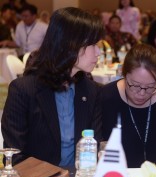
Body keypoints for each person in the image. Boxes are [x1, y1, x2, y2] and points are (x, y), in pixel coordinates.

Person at [1, 7, 103, 167]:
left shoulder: (91, 91)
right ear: (70, 44)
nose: (98, 52)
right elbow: (14, 156)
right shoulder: (24, 90)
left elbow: (95, 149)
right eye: (92, 44)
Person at [100, 43, 156, 168]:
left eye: (151, 87)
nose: (141, 93)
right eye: (135, 85)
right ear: (124, 74)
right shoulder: (106, 97)